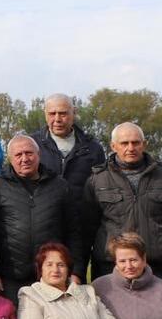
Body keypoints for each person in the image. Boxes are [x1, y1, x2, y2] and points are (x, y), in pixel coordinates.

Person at [85, 122, 162, 279]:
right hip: (111, 266)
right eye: (124, 143)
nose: (130, 148)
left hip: (157, 266)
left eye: (136, 142)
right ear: (113, 146)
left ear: (144, 144)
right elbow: (88, 226)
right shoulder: (97, 180)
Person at [0, 133, 75, 295]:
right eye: (18, 155)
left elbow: (75, 231)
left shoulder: (60, 186)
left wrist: (76, 271)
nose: (25, 158)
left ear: (38, 155)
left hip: (52, 274)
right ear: (10, 159)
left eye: (29, 153)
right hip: (11, 277)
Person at [32, 93, 106, 273]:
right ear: (45, 114)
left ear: (74, 113)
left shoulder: (92, 148)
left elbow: (101, 188)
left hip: (80, 230)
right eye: (52, 114)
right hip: (43, 228)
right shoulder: (32, 145)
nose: (57, 119)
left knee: (76, 280)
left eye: (63, 113)